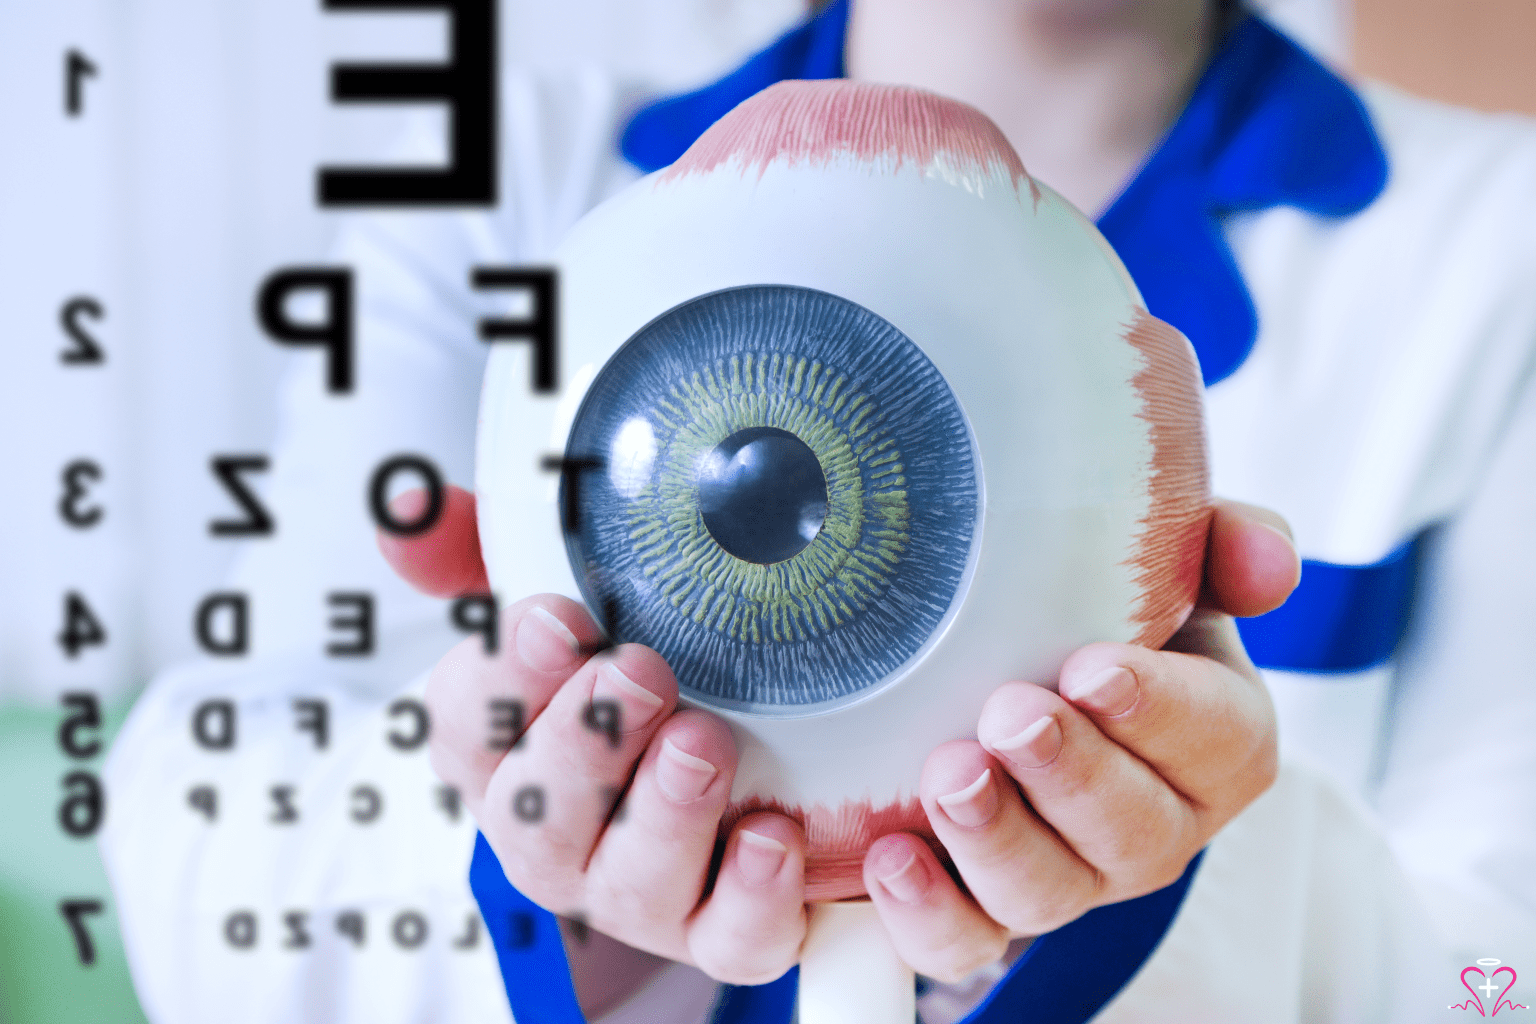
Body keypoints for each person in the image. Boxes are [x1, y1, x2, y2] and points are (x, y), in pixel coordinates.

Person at [103, 0, 1536, 1021]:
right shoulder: (492, 189)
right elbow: (210, 828)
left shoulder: (1502, 252)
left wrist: (1141, 900)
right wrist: (551, 886)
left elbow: (1501, 975)